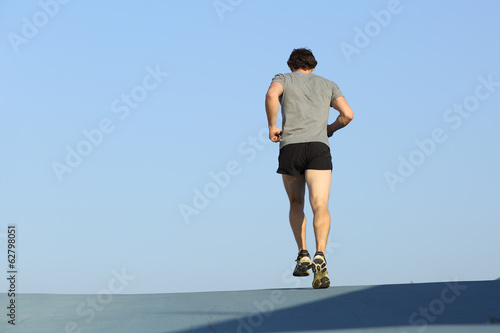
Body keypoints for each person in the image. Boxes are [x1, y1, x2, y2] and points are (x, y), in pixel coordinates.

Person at [265, 48, 353, 289]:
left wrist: (272, 126)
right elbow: (348, 114)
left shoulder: (282, 78)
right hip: (318, 147)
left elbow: (272, 95)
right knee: (320, 204)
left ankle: (302, 252)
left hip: (291, 147)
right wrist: (330, 129)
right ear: (313, 66)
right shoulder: (328, 84)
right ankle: (320, 254)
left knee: (296, 203)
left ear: (291, 65)